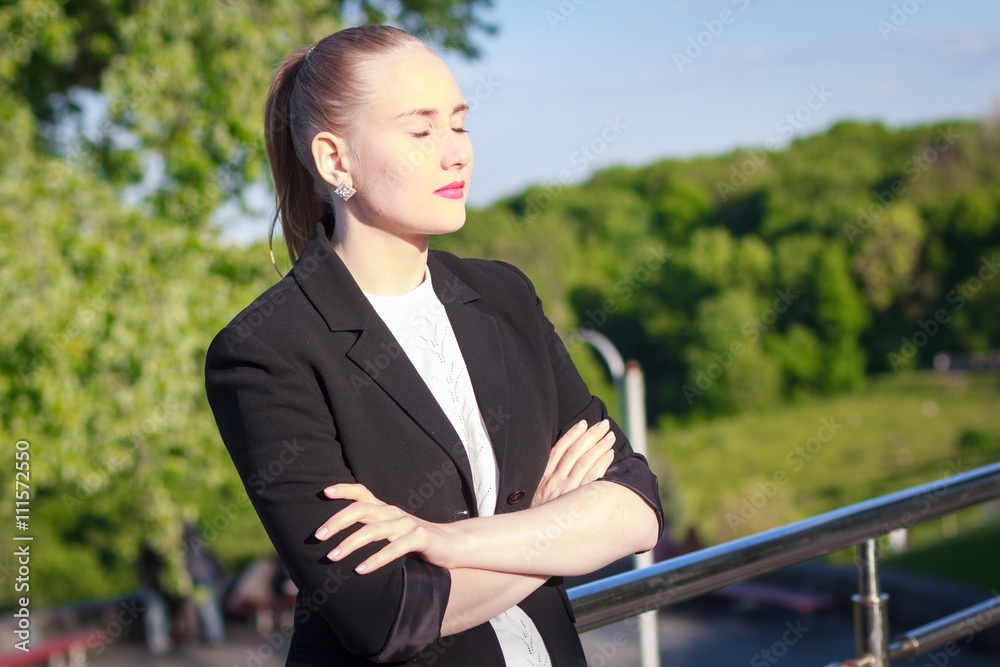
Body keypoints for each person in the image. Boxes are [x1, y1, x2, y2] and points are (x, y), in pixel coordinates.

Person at [204, 24, 663, 667]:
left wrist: (446, 542)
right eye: (421, 132)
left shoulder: (503, 297)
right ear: (335, 160)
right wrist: (555, 523)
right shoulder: (266, 351)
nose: (457, 154)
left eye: (459, 124)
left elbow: (637, 507)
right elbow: (385, 614)